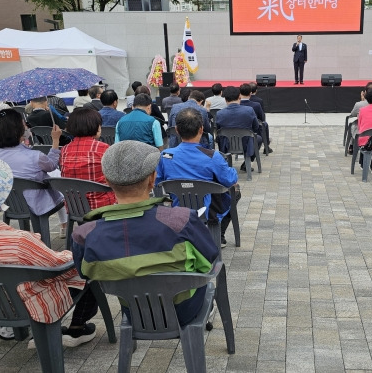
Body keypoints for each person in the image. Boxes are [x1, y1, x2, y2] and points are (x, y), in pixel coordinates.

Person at [72, 140, 219, 327]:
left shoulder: (84, 235)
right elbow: (209, 259)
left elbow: (85, 275)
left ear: (107, 181)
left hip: (134, 312)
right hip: (183, 310)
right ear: (152, 179)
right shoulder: (182, 221)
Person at [0, 158, 100, 348]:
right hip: (32, 307)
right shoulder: (19, 241)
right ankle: (77, 328)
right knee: (88, 266)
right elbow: (56, 264)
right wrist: (72, 254)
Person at [156, 108, 239, 247]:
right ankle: (218, 233)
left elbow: (157, 182)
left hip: (177, 206)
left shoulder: (165, 155)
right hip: (205, 211)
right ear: (201, 129)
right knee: (235, 191)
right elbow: (230, 180)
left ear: (176, 130)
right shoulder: (212, 156)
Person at [0, 109, 69, 239]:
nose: (26, 127)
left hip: (9, 204)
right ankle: (62, 228)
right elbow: (51, 165)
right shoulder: (35, 156)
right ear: (18, 131)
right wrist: (55, 141)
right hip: (38, 204)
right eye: (24, 125)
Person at [60, 108, 116, 209]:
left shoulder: (65, 150)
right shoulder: (103, 148)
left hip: (75, 207)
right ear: (95, 126)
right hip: (102, 206)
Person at [216, 86, 262, 172]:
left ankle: (225, 163)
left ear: (225, 100)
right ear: (239, 97)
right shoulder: (249, 110)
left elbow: (218, 131)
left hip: (227, 145)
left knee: (220, 138)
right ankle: (247, 163)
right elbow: (256, 127)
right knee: (258, 138)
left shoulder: (220, 113)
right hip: (246, 144)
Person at [240, 83, 272, 153]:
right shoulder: (257, 104)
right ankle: (266, 146)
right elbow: (262, 117)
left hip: (239, 131)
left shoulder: (237, 104)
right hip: (254, 129)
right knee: (264, 124)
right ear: (250, 93)